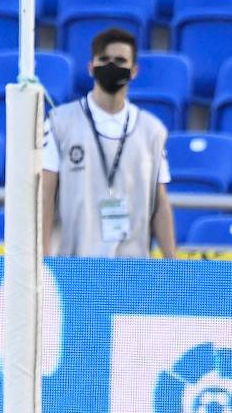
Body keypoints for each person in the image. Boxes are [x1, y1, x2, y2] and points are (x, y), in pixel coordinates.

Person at [42, 27, 177, 258]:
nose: (112, 66)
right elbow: (45, 193)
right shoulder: (60, 122)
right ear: (91, 67)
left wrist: (173, 262)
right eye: (104, 59)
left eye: (120, 60)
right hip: (73, 264)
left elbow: (160, 201)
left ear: (134, 71)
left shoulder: (152, 130)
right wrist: (41, 258)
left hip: (131, 268)